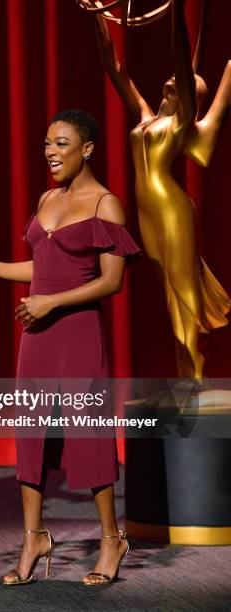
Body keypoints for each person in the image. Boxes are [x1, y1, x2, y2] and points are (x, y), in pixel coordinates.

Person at [0, 109, 139, 585]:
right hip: (36, 336)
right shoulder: (46, 199)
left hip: (77, 332)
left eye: (61, 144)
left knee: (88, 431)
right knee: (31, 430)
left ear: (87, 149)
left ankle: (110, 539)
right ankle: (33, 537)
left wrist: (51, 303)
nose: (50, 153)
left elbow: (112, 281)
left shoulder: (106, 205)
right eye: (46, 144)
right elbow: (40, 267)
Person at [94, 0, 231, 378]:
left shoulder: (180, 125)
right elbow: (114, 67)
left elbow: (182, 55)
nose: (172, 78)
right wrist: (95, 15)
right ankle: (186, 376)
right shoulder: (146, 118)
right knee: (171, 301)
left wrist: (176, 10)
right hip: (149, 214)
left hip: (172, 211)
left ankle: (195, 379)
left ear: (189, 96)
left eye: (182, 81)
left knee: (183, 297)